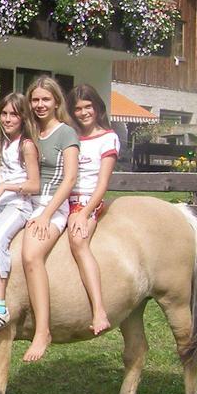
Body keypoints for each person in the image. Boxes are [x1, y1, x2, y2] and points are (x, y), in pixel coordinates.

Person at [17, 76, 79, 361]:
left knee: (31, 255)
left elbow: (69, 180)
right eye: (35, 99)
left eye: (45, 99)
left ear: (56, 102)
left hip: (53, 205)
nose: (40, 105)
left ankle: (42, 331)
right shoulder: (30, 131)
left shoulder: (66, 133)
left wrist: (46, 215)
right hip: (27, 201)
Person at [0, 92, 40, 337]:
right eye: (4, 113)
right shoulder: (3, 142)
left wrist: (5, 188)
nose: (8, 119)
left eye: (14, 114)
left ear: (23, 117)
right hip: (0, 203)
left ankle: (0, 308)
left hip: (19, 205)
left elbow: (35, 184)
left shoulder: (27, 145)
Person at [67, 84, 121, 335]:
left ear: (97, 107)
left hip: (88, 200)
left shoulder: (108, 138)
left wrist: (84, 211)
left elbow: (102, 184)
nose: (83, 112)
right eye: (78, 108)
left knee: (79, 241)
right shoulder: (71, 136)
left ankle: (99, 309)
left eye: (88, 106)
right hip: (64, 199)